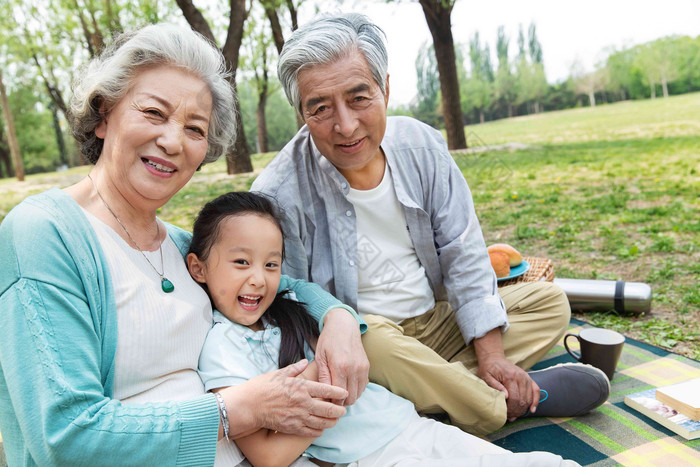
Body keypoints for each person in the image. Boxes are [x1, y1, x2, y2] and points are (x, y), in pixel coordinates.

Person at [0, 23, 369, 466]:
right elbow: (65, 436)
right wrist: (236, 411)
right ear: (103, 116)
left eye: (195, 129)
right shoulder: (45, 233)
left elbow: (287, 286)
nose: (173, 141)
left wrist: (340, 320)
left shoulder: (181, 246)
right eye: (154, 113)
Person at [251, 12, 610, 436]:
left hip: (437, 322)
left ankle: (428, 397)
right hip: (367, 343)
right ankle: (495, 405)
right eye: (320, 108)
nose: (345, 125)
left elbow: (463, 248)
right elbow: (287, 297)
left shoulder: (421, 145)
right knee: (370, 339)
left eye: (359, 98)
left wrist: (492, 353)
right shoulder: (277, 192)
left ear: (385, 87)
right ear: (301, 113)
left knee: (550, 302)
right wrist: (341, 325)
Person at [188, 190, 580, 466]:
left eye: (271, 264)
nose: (259, 279)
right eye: (242, 262)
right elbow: (269, 457)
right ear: (198, 268)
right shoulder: (221, 346)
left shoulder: (287, 305)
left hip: (404, 419)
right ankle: (493, 398)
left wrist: (332, 352)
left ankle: (465, 390)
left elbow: (319, 303)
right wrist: (329, 381)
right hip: (366, 456)